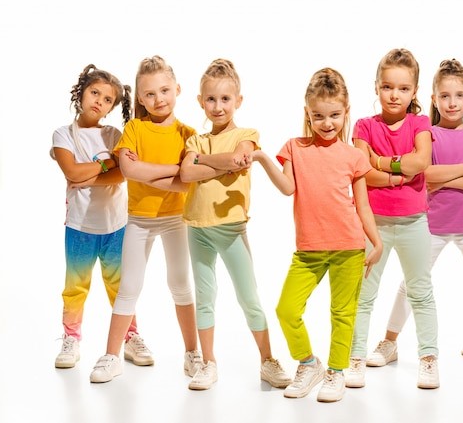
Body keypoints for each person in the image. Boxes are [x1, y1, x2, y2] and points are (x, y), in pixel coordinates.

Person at [361, 59, 463, 376]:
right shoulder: (426, 133)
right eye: (445, 96)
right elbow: (425, 172)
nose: (452, 103)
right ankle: (390, 341)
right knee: (411, 286)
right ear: (433, 98)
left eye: (459, 95)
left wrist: (445, 179)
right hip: (429, 225)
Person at [246, 67, 383, 403]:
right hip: (308, 250)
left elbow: (363, 206)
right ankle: (309, 363)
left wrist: (376, 242)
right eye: (318, 116)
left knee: (342, 313)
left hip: (349, 247)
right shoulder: (294, 148)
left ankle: (336, 371)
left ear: (345, 112)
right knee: (286, 309)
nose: (327, 123)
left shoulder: (354, 156)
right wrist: (263, 157)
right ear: (307, 113)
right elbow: (288, 187)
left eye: (334, 115)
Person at [178, 58, 291, 391]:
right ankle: (208, 362)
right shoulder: (196, 141)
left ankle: (267, 360)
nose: (217, 106)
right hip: (196, 228)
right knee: (205, 296)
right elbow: (186, 173)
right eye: (210, 99)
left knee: (248, 297)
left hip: (231, 230)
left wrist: (206, 162)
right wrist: (216, 164)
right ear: (200, 101)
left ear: (238, 101)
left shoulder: (247, 135)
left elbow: (239, 160)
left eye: (225, 99)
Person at [89, 55, 201, 383]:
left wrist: (148, 172)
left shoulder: (188, 134)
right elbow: (128, 170)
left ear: (177, 89)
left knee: (180, 285)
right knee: (129, 287)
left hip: (176, 218)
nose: (158, 99)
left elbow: (188, 181)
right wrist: (172, 169)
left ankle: (192, 353)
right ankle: (112, 355)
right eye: (150, 94)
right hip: (138, 219)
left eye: (165, 90)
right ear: (139, 98)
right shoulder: (134, 128)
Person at [343, 48, 440, 390]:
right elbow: (361, 171)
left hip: (414, 222)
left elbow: (422, 162)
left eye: (402, 88)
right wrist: (399, 169)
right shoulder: (364, 126)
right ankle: (355, 357)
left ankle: (428, 358)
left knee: (421, 292)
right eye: (387, 87)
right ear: (376, 87)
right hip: (373, 223)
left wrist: (383, 163)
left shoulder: (420, 123)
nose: (394, 94)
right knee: (363, 294)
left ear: (414, 91)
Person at [51, 64, 150, 369]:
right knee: (76, 285)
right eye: (95, 92)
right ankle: (71, 338)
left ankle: (130, 336)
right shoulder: (63, 134)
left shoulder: (114, 135)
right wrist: (106, 165)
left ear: (112, 107)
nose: (99, 101)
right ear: (81, 92)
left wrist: (94, 174)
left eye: (107, 99)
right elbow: (71, 171)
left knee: (121, 286)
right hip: (80, 226)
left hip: (116, 226)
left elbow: (122, 176)